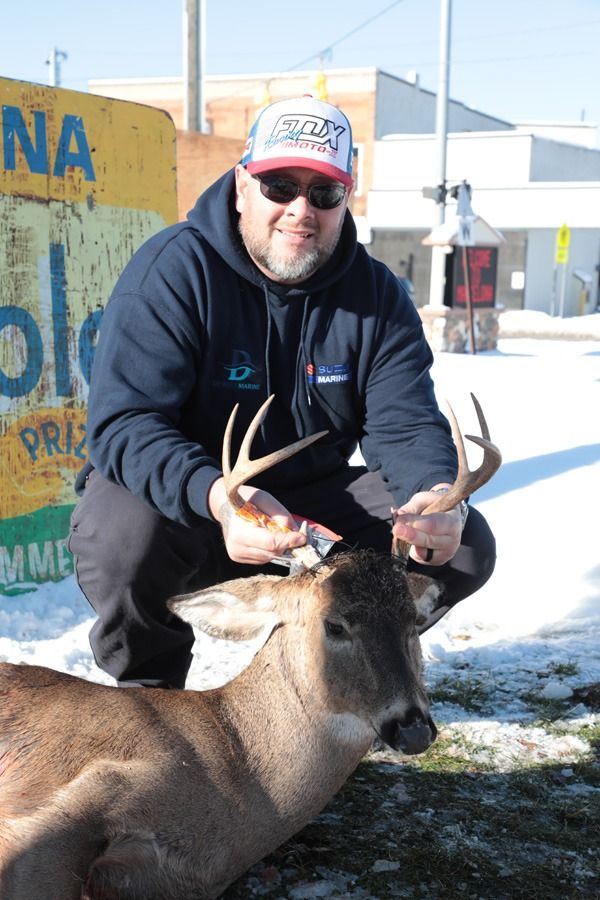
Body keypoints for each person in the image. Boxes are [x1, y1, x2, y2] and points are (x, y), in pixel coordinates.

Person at [69, 96, 496, 689]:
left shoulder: (377, 296)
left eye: (324, 193)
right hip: (193, 504)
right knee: (121, 533)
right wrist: (221, 498)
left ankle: (326, 677)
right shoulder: (172, 271)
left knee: (465, 544)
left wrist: (433, 495)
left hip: (311, 512)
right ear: (243, 185)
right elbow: (125, 424)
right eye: (280, 186)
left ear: (346, 200)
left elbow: (405, 423)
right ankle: (150, 693)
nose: (301, 210)